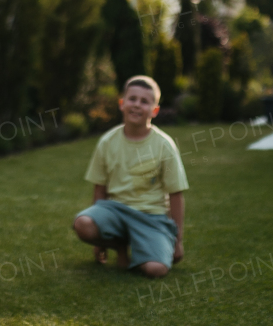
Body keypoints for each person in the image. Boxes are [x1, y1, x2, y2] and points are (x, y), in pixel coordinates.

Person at [72, 76, 188, 278]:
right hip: (115, 211)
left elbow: (175, 194)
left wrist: (178, 241)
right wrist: (99, 242)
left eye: (144, 101)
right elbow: (100, 188)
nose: (137, 105)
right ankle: (120, 247)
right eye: (132, 99)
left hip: (152, 216)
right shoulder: (107, 142)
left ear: (154, 110)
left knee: (156, 269)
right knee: (82, 223)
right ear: (121, 104)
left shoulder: (164, 145)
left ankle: (152, 243)